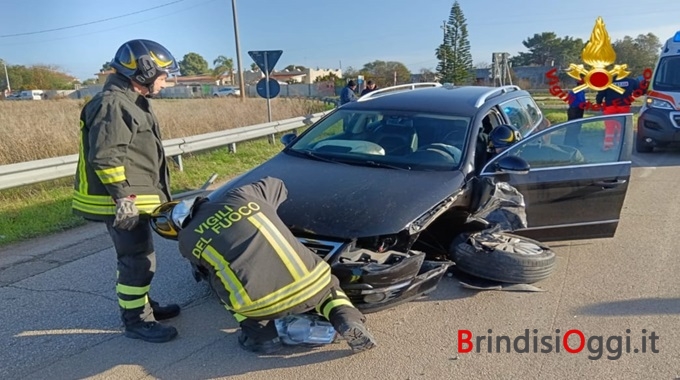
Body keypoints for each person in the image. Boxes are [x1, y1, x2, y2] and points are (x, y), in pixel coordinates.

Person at [149, 176, 378, 354]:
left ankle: (261, 336)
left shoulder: (187, 242)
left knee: (219, 282)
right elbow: (277, 184)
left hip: (258, 306)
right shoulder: (241, 196)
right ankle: (346, 319)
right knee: (329, 289)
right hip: (311, 285)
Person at [72, 39, 181, 343]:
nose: (166, 80)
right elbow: (105, 156)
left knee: (140, 257)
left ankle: (144, 305)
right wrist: (123, 198)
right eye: (162, 75)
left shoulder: (129, 99)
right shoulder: (114, 104)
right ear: (144, 71)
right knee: (137, 260)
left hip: (130, 198)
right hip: (120, 202)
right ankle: (137, 321)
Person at [595, 75, 641, 150]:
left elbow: (600, 94)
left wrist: (598, 103)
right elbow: (640, 89)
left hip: (610, 107)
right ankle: (621, 146)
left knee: (610, 127)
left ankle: (608, 146)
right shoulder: (630, 81)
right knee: (622, 127)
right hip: (624, 107)